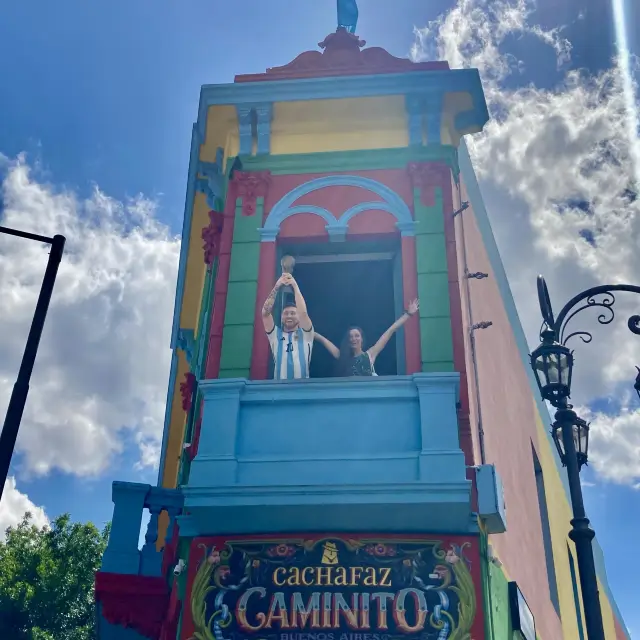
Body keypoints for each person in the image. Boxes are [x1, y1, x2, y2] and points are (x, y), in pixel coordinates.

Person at [314, 299, 419, 377]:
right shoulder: (342, 356)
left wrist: (408, 314)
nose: (353, 339)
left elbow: (390, 331)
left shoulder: (369, 355)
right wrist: (307, 332)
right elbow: (323, 340)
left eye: (357, 336)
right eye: (350, 337)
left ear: (362, 339)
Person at [262, 273, 314, 380]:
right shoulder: (275, 335)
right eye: (286, 313)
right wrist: (276, 287)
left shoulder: (306, 333)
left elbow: (303, 313)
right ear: (281, 317)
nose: (289, 316)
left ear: (298, 316)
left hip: (302, 389)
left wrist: (295, 286)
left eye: (293, 313)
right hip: (280, 391)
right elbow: (265, 313)